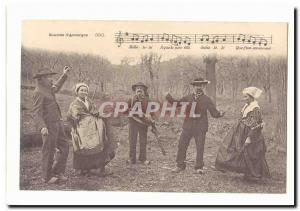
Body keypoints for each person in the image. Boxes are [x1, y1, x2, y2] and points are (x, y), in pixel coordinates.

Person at [166, 77, 225, 174]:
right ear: (193, 86)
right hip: (188, 126)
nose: (198, 87)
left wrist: (220, 114)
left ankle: (199, 167)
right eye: (196, 85)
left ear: (203, 86)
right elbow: (177, 104)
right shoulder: (187, 97)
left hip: (200, 127)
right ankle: (180, 165)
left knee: (200, 147)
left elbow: (214, 113)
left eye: (200, 85)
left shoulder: (207, 99)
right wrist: (169, 97)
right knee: (182, 145)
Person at [215, 87, 270, 181]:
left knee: (251, 152)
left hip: (250, 133)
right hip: (241, 132)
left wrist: (249, 137)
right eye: (244, 97)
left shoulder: (255, 108)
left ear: (251, 97)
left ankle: (253, 174)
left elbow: (256, 124)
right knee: (236, 150)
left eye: (246, 97)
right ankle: (244, 172)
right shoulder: (247, 106)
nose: (244, 99)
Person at [67, 83, 116, 177]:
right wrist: (91, 116)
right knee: (82, 147)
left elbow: (94, 111)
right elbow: (75, 115)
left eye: (85, 91)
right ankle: (81, 169)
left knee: (95, 146)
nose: (84, 92)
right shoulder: (74, 104)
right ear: (77, 92)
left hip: (92, 129)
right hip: (81, 129)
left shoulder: (89, 101)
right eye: (81, 90)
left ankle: (93, 168)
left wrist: (98, 114)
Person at [32, 66, 70, 184]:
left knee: (65, 146)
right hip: (48, 126)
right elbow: (37, 112)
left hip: (58, 122)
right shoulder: (38, 92)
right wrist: (42, 127)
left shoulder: (48, 88)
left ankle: (58, 171)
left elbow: (57, 87)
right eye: (48, 77)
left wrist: (64, 75)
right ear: (41, 79)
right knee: (49, 150)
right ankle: (46, 177)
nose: (51, 79)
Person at [126, 82, 154, 165]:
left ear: (144, 91)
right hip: (133, 123)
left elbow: (151, 112)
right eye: (137, 89)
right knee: (132, 141)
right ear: (135, 91)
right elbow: (126, 110)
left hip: (143, 124)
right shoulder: (131, 99)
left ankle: (143, 159)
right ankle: (132, 159)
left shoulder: (148, 100)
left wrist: (150, 117)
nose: (139, 91)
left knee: (143, 141)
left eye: (141, 89)